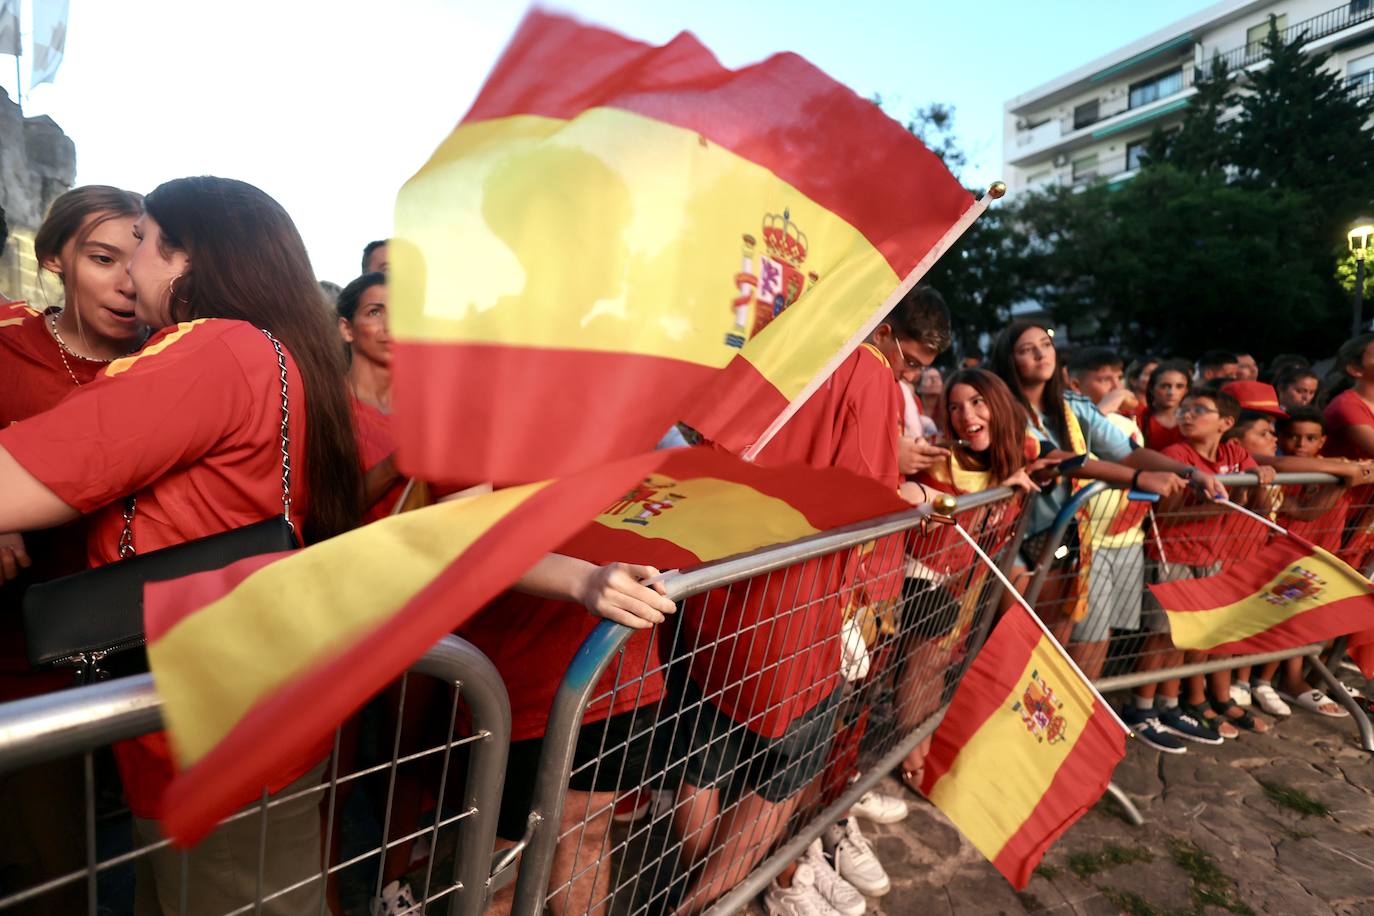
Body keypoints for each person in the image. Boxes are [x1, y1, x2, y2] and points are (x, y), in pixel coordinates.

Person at [0, 176, 366, 914]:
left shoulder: (217, 350)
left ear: (186, 260)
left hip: (215, 737)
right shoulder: (269, 349)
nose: (130, 273)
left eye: (141, 245)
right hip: (232, 713)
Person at [671, 286, 950, 916]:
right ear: (884, 331)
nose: (907, 376)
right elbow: (859, 498)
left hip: (723, 580)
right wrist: (904, 496)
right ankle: (725, 901)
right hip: (805, 600)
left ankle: (728, 891)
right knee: (783, 770)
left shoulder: (787, 346)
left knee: (705, 754)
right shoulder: (869, 373)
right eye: (908, 360)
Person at [0, 185, 147, 915]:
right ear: (56, 257)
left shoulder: (171, 363)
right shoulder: (6, 343)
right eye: (102, 257)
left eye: (140, 257)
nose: (127, 281)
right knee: (49, 873)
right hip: (23, 660)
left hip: (136, 655)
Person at [987, 322, 1218, 644]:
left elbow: (1129, 453)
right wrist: (1139, 479)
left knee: (1055, 642)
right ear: (1009, 360)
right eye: (1027, 350)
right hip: (1012, 538)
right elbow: (1059, 458)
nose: (1041, 354)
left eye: (1046, 344)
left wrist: (1190, 473)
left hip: (1065, 538)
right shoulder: (1001, 407)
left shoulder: (1073, 404)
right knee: (1013, 641)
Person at [896, 368, 1042, 791]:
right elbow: (910, 499)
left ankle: (925, 749)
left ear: (998, 404)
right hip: (919, 576)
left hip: (970, 581)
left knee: (941, 664)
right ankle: (913, 762)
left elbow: (1072, 460)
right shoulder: (941, 456)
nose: (966, 414)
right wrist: (961, 503)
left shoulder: (1020, 453)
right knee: (924, 666)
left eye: (977, 402)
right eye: (956, 406)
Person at [1139, 390, 1275, 743]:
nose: (1187, 414)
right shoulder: (1175, 455)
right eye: (1184, 409)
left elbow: (1254, 501)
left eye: (1199, 409)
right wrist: (1213, 502)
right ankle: (1142, 707)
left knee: (1193, 636)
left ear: (1226, 423)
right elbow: (1163, 513)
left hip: (1211, 556)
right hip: (1172, 555)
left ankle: (1171, 704)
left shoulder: (1234, 452)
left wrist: (1263, 475)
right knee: (1162, 637)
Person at [1064, 348, 1151, 682]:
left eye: (1118, 377)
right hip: (1089, 544)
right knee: (1086, 635)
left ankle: (1090, 703)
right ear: (1075, 383)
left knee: (1105, 633)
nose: (1116, 385)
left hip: (1127, 538)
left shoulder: (1127, 422)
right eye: (1104, 379)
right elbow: (1079, 447)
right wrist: (1110, 403)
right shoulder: (1074, 417)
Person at [336, 271, 406, 523]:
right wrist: (394, 464)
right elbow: (327, 512)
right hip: (356, 555)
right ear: (346, 329)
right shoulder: (329, 408)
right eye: (375, 312)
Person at [1136, 360, 1192, 450]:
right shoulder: (1140, 418)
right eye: (1165, 386)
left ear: (1186, 390)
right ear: (1151, 388)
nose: (1171, 392)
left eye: (1179, 386)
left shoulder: (1196, 418)